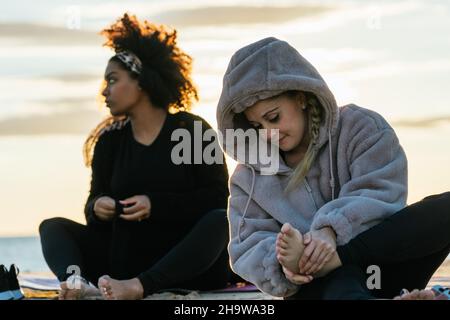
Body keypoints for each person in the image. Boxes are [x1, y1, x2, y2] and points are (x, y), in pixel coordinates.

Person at [216, 37, 450, 299]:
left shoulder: (361, 127)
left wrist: (329, 232)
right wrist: (287, 262)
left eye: (273, 117)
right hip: (318, 284)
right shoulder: (248, 178)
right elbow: (246, 244)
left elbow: (382, 193)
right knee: (340, 280)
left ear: (301, 97)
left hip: (384, 264)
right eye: (258, 127)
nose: (268, 134)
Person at [39, 13, 233, 300]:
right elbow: (93, 207)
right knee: (52, 227)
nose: (105, 91)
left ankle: (141, 286)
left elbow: (219, 198)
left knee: (221, 220)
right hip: (126, 259)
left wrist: (156, 204)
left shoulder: (191, 130)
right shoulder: (110, 141)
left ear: (141, 81)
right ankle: (75, 282)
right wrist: (98, 206)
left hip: (186, 262)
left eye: (113, 80)